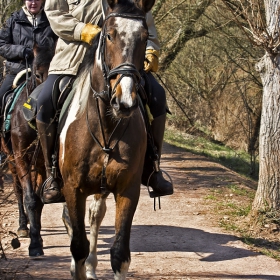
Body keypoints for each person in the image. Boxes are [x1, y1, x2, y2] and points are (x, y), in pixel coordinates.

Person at [37, 0, 174, 203]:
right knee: (44, 102)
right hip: (74, 59)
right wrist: (82, 30)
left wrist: (151, 49)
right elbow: (55, 14)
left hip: (122, 60)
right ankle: (52, 174)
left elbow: (144, 24)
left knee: (157, 96)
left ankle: (153, 169)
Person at [0, 0, 57, 113]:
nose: (33, 3)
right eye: (30, 0)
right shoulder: (13, 20)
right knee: (1, 96)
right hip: (17, 70)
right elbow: (1, 45)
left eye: (37, 0)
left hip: (45, 72)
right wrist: (22, 51)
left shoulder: (52, 20)